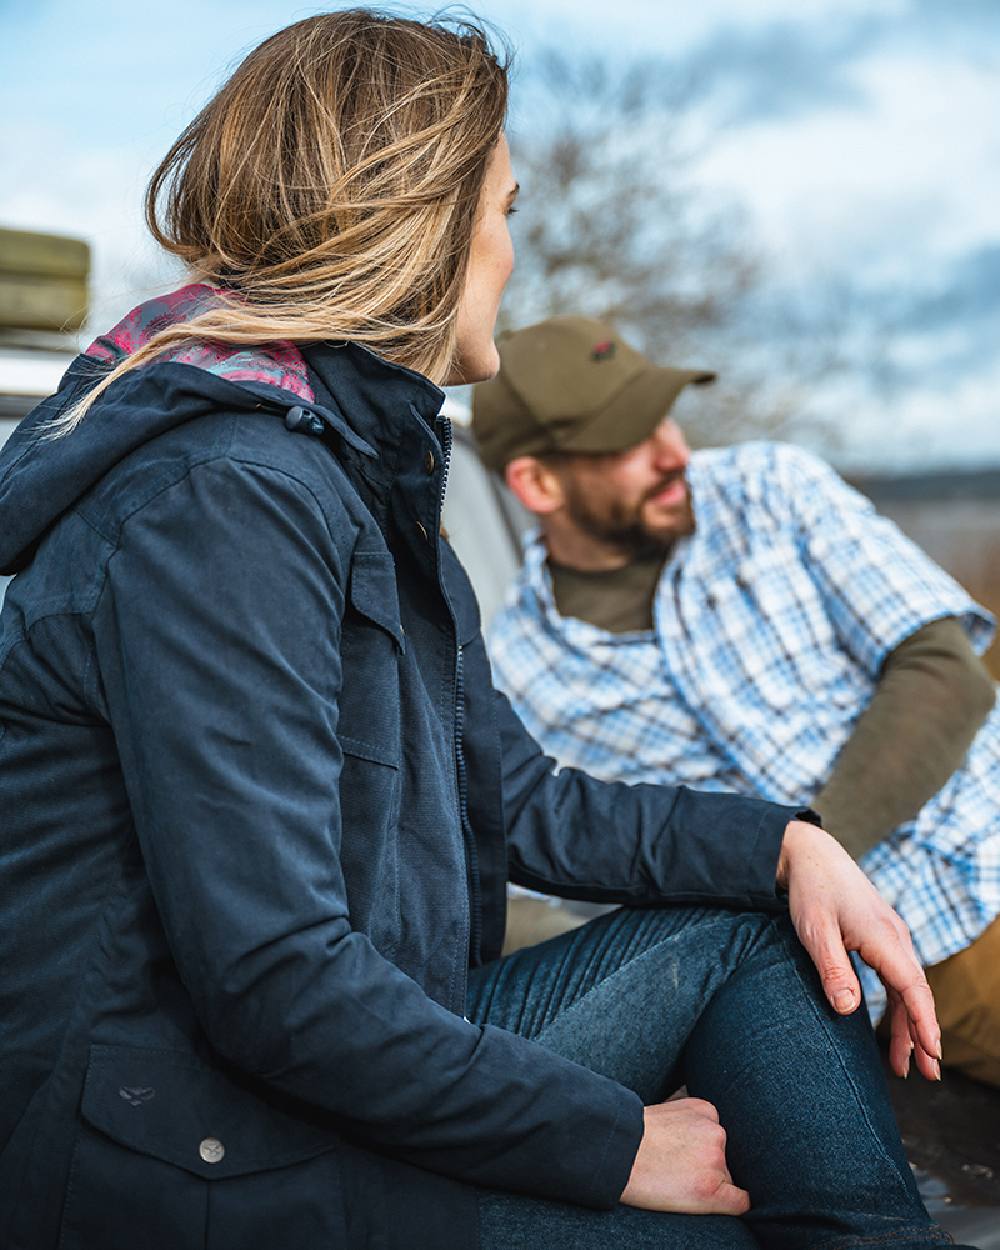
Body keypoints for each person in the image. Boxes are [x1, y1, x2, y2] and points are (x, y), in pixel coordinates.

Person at [0, 13, 962, 1250]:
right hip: (191, 1155)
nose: (512, 250)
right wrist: (616, 1141)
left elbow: (517, 795)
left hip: (301, 1084)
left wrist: (785, 842)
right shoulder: (226, 499)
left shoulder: (346, 473)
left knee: (748, 921)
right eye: (502, 211)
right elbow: (275, 976)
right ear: (423, 224)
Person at [473, 314, 1000, 1089]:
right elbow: (524, 891)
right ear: (538, 484)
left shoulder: (771, 489)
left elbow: (944, 671)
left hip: (983, 852)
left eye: (664, 416)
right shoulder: (519, 673)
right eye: (627, 439)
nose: (673, 452)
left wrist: (806, 856)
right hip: (878, 985)